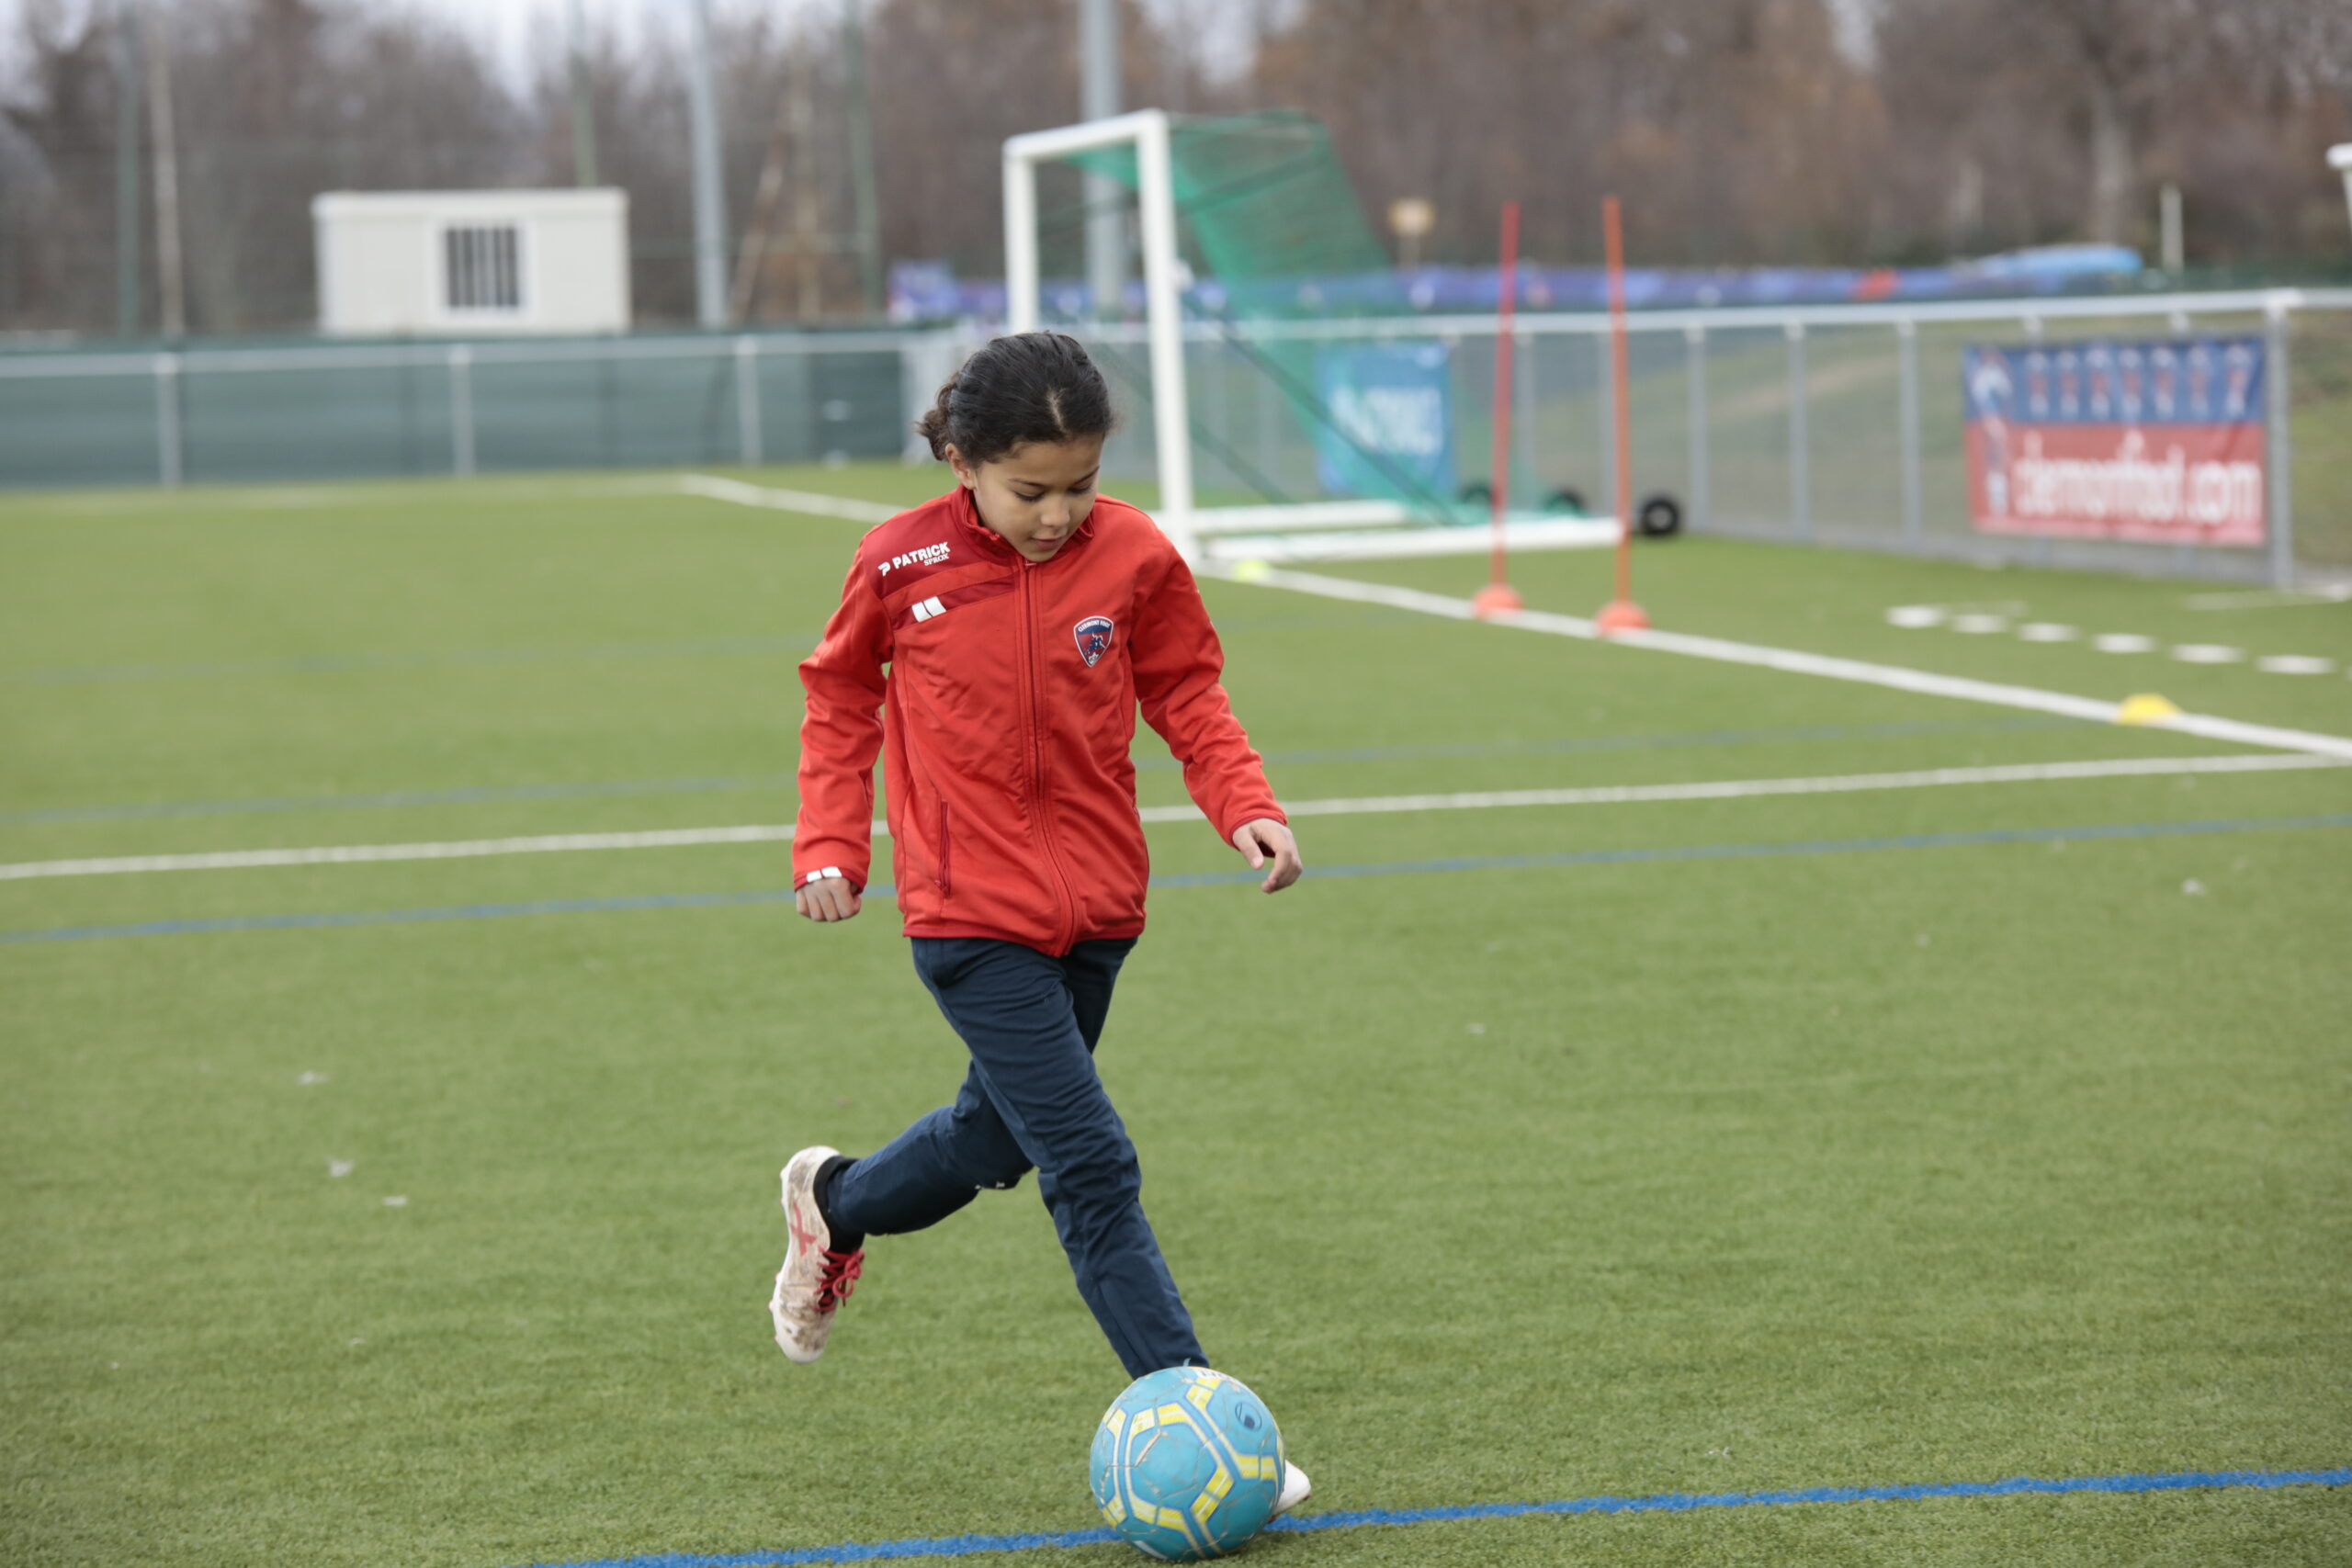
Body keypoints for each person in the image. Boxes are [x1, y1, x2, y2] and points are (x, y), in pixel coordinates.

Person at [768, 331, 1311, 1514]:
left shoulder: (1136, 555)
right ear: (961, 458)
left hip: (1101, 910)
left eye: (1081, 486)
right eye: (1030, 490)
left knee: (996, 1141)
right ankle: (1202, 1419)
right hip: (968, 920)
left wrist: (1244, 807)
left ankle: (836, 1204)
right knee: (1089, 1165)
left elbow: (1184, 688)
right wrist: (828, 840)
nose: (1059, 514)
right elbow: (840, 694)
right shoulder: (898, 559)